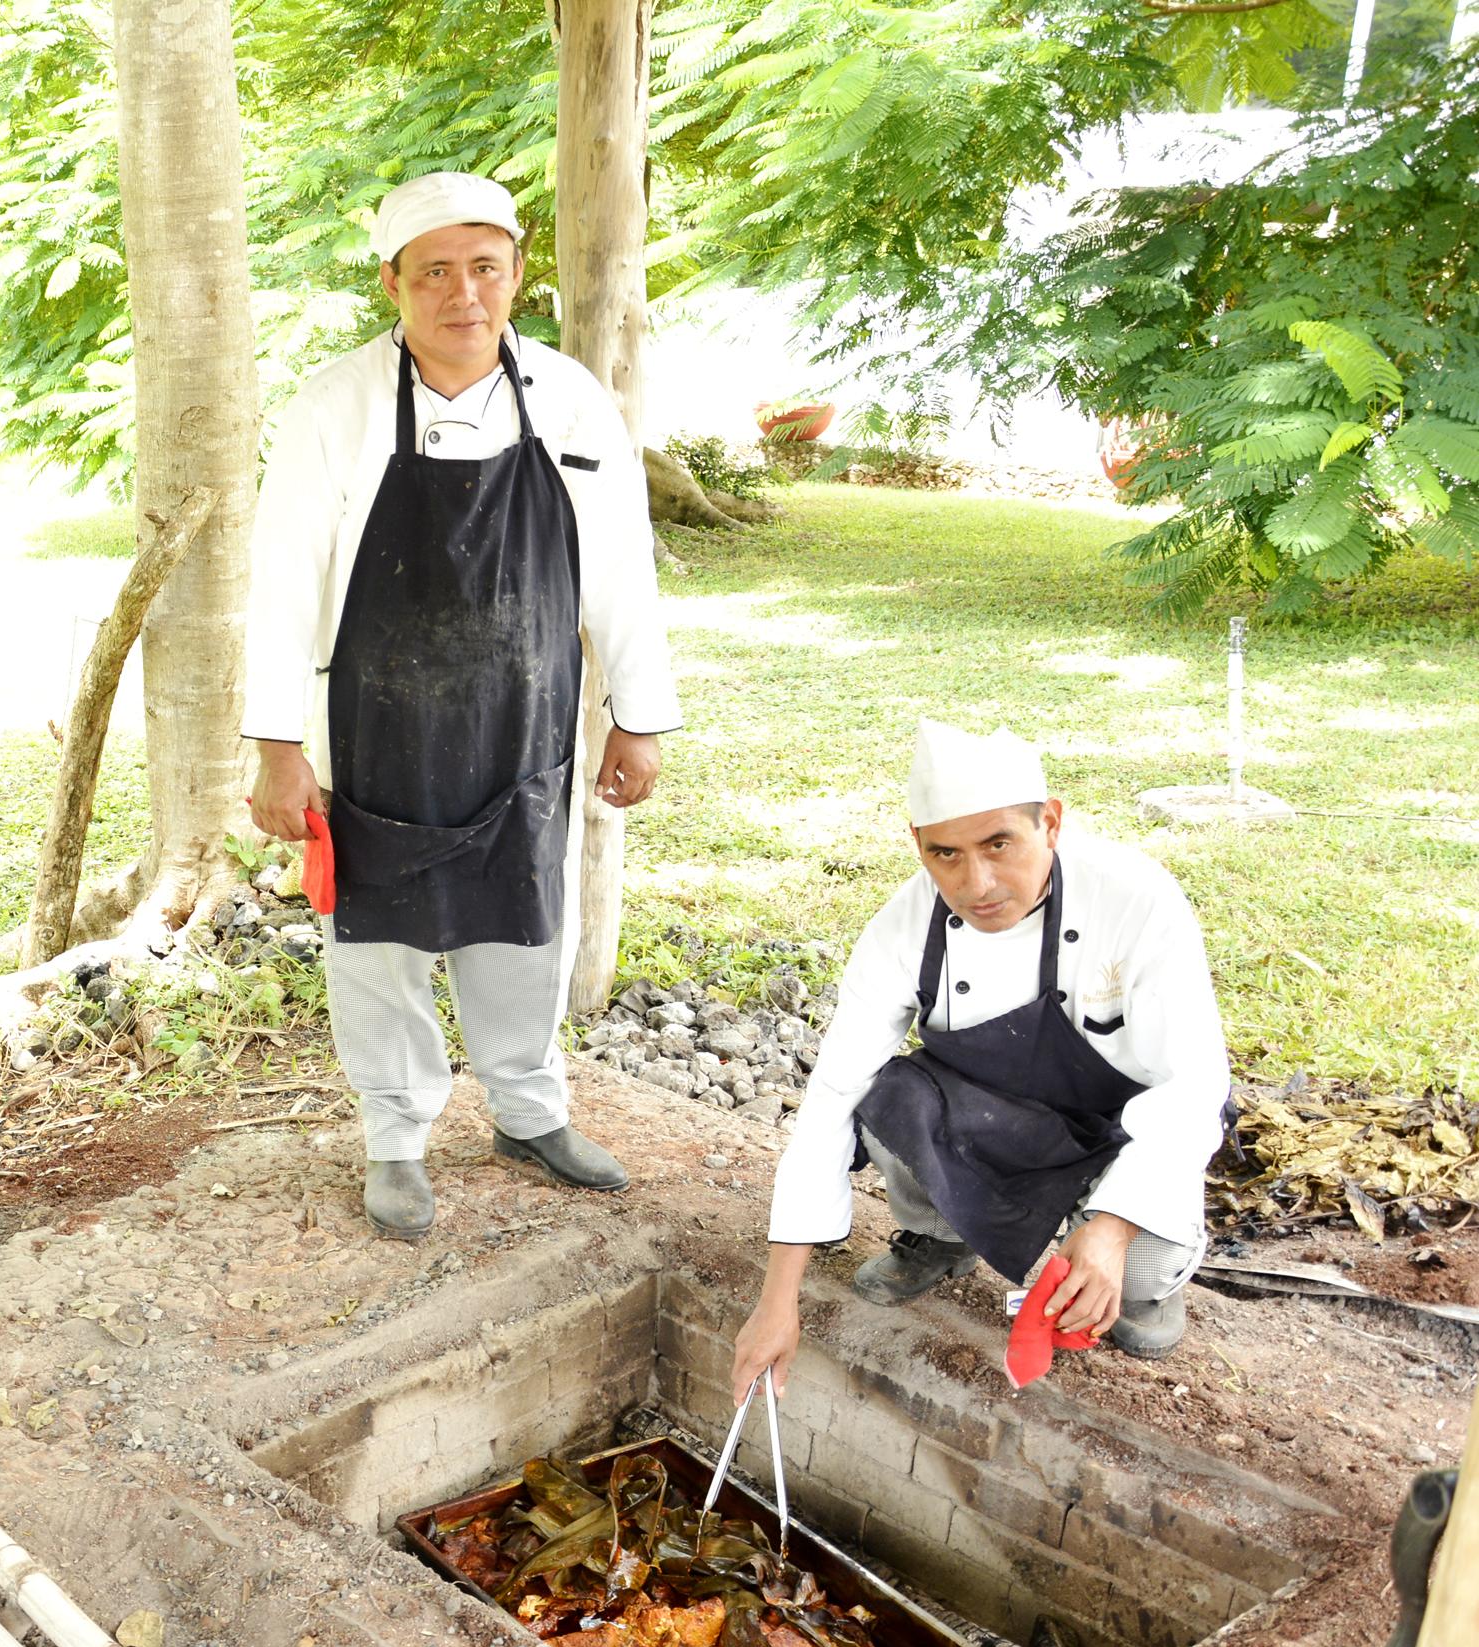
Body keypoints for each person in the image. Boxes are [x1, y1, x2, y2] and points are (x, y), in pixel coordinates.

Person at [244, 170, 682, 1241]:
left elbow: (621, 566)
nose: (463, 293)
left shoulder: (572, 401)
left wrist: (640, 711)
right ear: (392, 283)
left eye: (485, 267)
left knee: (525, 920)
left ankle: (529, 1113)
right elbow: (282, 578)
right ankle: (395, 1137)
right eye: (433, 271)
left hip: (526, 717)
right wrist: (275, 744)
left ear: (516, 276)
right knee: (379, 937)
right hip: (374, 724)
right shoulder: (334, 406)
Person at [733, 720, 1234, 1394]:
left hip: (1120, 1134)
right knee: (890, 1096)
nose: (978, 882)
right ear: (917, 845)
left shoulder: (1137, 902)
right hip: (1000, 1119)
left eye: (1001, 844)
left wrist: (1111, 1230)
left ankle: (1147, 1280)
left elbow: (1193, 1086)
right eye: (946, 855)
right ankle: (942, 1236)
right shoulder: (902, 929)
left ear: (1050, 824)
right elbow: (832, 1098)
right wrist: (776, 1301)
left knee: (1136, 1265)